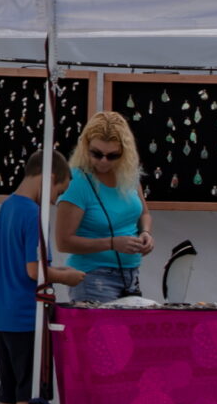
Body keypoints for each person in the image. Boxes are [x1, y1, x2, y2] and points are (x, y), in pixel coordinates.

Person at [0, 156, 81, 404]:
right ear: (48, 177)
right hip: (26, 314)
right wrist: (64, 275)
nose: (56, 199)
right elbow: (33, 270)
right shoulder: (32, 214)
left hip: (2, 312)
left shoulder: (6, 207)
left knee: (9, 387)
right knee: (28, 389)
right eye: (58, 190)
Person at [57, 112, 153, 305]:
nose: (103, 161)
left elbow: (144, 213)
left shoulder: (129, 174)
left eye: (113, 156)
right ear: (85, 148)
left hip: (131, 275)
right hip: (93, 277)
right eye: (97, 154)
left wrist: (146, 233)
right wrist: (111, 244)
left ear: (124, 152)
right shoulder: (78, 181)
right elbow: (63, 242)